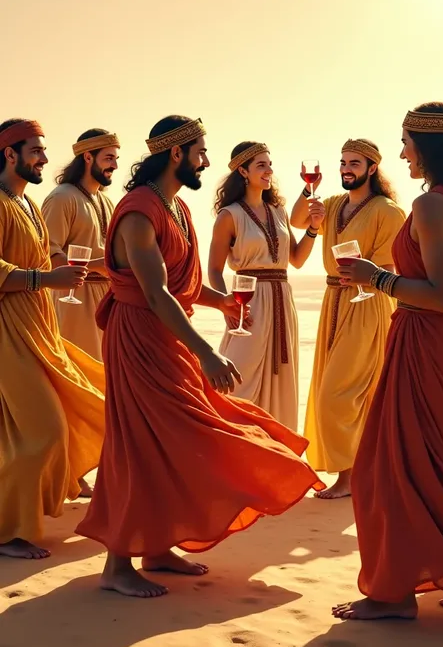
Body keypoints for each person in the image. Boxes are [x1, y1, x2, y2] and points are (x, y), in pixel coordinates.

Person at [76, 115, 320, 598]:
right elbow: (157, 293)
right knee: (141, 442)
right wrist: (207, 351)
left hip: (166, 335)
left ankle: (158, 547)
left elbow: (184, 286)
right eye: (201, 152)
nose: (207, 161)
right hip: (140, 338)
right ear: (176, 154)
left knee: (175, 440)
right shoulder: (139, 211)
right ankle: (117, 562)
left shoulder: (177, 207)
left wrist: (221, 301)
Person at [332, 102, 443, 621]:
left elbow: (439, 295)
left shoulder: (434, 207)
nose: (400, 154)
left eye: (406, 143)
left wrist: (378, 278)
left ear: (427, 147)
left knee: (385, 467)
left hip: (430, 342)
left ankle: (392, 595)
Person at [0, 118, 105, 560]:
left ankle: (18, 521)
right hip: (8, 329)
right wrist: (47, 277)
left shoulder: (26, 202)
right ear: (10, 154)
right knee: (43, 429)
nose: (45, 158)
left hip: (40, 326)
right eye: (37, 150)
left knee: (83, 405)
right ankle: (8, 532)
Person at [290, 140, 405, 499]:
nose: (346, 168)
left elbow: (389, 267)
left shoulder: (388, 211)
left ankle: (349, 477)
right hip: (333, 301)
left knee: (336, 395)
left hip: (367, 304)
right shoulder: (333, 205)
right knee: (345, 392)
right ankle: (362, 473)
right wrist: (309, 189)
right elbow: (296, 221)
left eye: (354, 163)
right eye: (342, 162)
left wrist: (364, 277)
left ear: (372, 168)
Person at [208, 141, 319, 432]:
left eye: (269, 164)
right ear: (242, 171)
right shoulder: (229, 215)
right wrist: (225, 307)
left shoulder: (279, 211)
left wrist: (313, 229)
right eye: (261, 165)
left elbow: (295, 260)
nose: (269, 170)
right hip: (249, 304)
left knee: (281, 381)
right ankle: (232, 451)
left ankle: (278, 462)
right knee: (239, 380)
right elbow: (214, 270)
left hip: (283, 301)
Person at [42, 129, 120, 362]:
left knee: (106, 379)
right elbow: (47, 256)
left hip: (108, 302)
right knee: (80, 374)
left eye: (116, 158)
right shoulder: (62, 197)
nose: (115, 165)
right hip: (74, 301)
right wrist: (98, 265)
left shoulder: (107, 202)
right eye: (108, 158)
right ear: (87, 157)